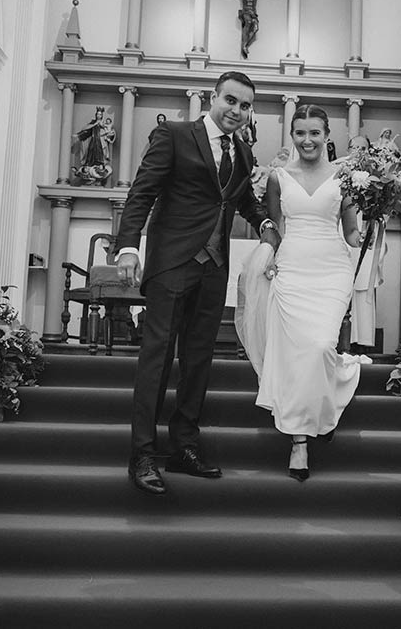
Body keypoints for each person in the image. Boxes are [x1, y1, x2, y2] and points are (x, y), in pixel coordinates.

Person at [116, 71, 281, 495]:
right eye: (231, 100)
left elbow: (240, 197)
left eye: (245, 106)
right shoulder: (173, 134)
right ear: (213, 97)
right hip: (172, 261)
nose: (237, 111)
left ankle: (185, 446)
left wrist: (262, 219)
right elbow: (142, 192)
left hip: (213, 268)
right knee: (156, 358)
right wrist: (129, 247)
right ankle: (143, 454)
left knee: (198, 360)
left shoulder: (243, 152)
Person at [238, 105, 369, 482]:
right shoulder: (279, 177)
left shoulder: (345, 177)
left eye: (315, 133)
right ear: (292, 136)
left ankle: (328, 399)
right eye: (300, 133)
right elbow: (276, 225)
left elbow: (349, 232)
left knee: (320, 346)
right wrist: (268, 255)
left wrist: (368, 225)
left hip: (331, 269)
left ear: (328, 135)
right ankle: (299, 440)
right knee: (299, 352)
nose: (307, 140)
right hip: (292, 268)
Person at [345, 135, 384, 350]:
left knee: (363, 288)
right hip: (341, 240)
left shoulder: (376, 175)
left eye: (363, 147)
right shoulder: (338, 171)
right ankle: (341, 341)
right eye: (355, 146)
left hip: (365, 238)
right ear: (348, 148)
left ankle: (362, 343)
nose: (359, 151)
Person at [207, 0, 289, 58]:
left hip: (253, 13)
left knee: (255, 29)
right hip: (245, 12)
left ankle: (245, 44)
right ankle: (244, 46)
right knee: (248, 22)